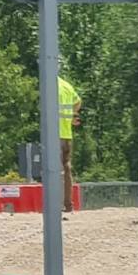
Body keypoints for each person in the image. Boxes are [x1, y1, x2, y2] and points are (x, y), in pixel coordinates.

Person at [59, 75, 81, 213]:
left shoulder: (48, 84)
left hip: (53, 132)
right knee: (66, 168)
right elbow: (78, 101)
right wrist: (72, 115)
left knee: (52, 169)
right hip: (66, 133)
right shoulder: (66, 85)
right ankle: (68, 204)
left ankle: (54, 204)